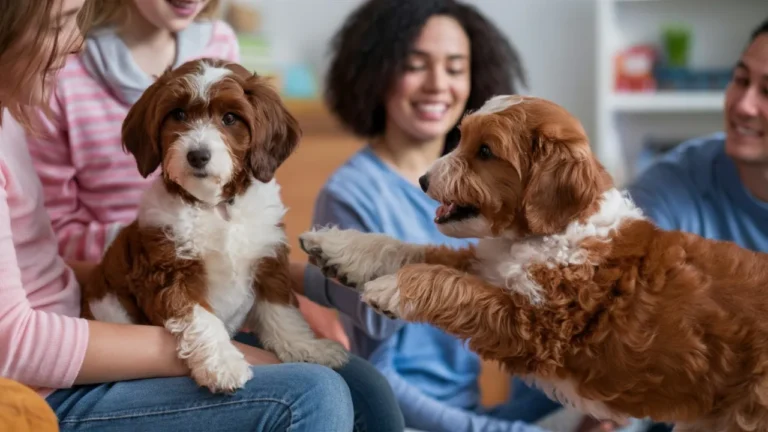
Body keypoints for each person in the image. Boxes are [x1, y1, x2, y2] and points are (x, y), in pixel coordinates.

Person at [0, 1, 404, 431]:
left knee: (362, 384)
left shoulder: (11, 114)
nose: (75, 41)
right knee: (310, 394)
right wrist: (214, 337)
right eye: (62, 23)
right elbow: (17, 338)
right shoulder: (50, 90)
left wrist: (286, 279)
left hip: (91, 313)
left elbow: (37, 264)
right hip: (66, 368)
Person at [290, 0, 560, 430]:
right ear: (377, 73)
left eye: (455, 69)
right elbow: (375, 379)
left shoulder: (485, 185)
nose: (438, 85)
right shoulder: (353, 194)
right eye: (415, 65)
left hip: (470, 413)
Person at [25, 0, 349, 350]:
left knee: (362, 384)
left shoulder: (220, 41)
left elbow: (252, 174)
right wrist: (156, 242)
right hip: (128, 296)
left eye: (226, 119)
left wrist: (272, 275)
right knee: (315, 389)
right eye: (178, 116)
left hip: (232, 281)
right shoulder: (58, 68)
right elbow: (47, 238)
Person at [622, 16, 768, 432]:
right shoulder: (673, 186)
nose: (743, 105)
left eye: (767, 91)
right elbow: (612, 295)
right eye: (740, 80)